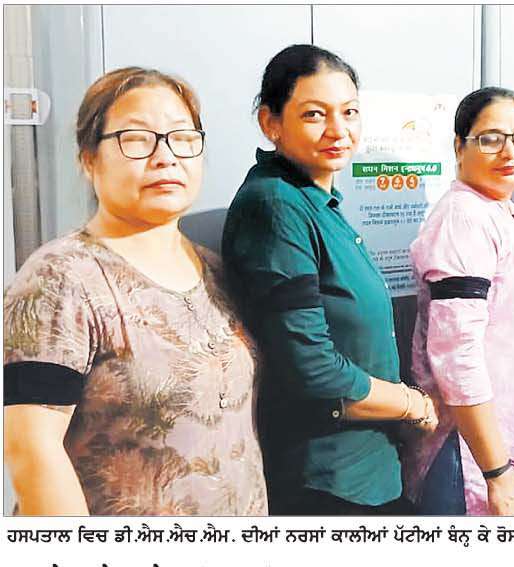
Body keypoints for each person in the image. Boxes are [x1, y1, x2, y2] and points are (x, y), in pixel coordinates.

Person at [3, 67, 267, 515]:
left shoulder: (216, 269)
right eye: (138, 139)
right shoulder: (60, 278)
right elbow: (32, 453)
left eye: (182, 137)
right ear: (89, 158)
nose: (166, 157)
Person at [221, 44, 437, 516]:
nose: (338, 130)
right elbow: (312, 369)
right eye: (315, 114)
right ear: (270, 123)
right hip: (327, 482)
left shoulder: (319, 202)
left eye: (350, 112)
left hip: (370, 469)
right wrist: (412, 405)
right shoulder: (276, 206)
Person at [402, 87, 514, 516]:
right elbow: (457, 356)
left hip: (505, 446)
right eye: (491, 138)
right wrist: (497, 473)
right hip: (470, 457)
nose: (510, 151)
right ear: (459, 147)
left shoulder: (503, 211)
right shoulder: (463, 218)